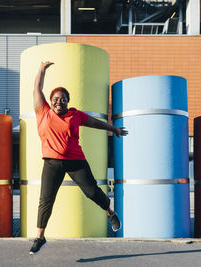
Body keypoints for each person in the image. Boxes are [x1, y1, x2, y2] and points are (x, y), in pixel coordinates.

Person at [29, 61, 128, 255]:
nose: (59, 101)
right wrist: (41, 69)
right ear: (50, 101)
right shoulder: (43, 112)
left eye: (63, 99)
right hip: (51, 162)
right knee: (45, 200)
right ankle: (40, 238)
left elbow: (95, 123)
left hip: (76, 161)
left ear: (68, 101)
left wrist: (114, 128)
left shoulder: (75, 115)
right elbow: (36, 87)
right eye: (56, 99)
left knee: (92, 192)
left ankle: (110, 212)